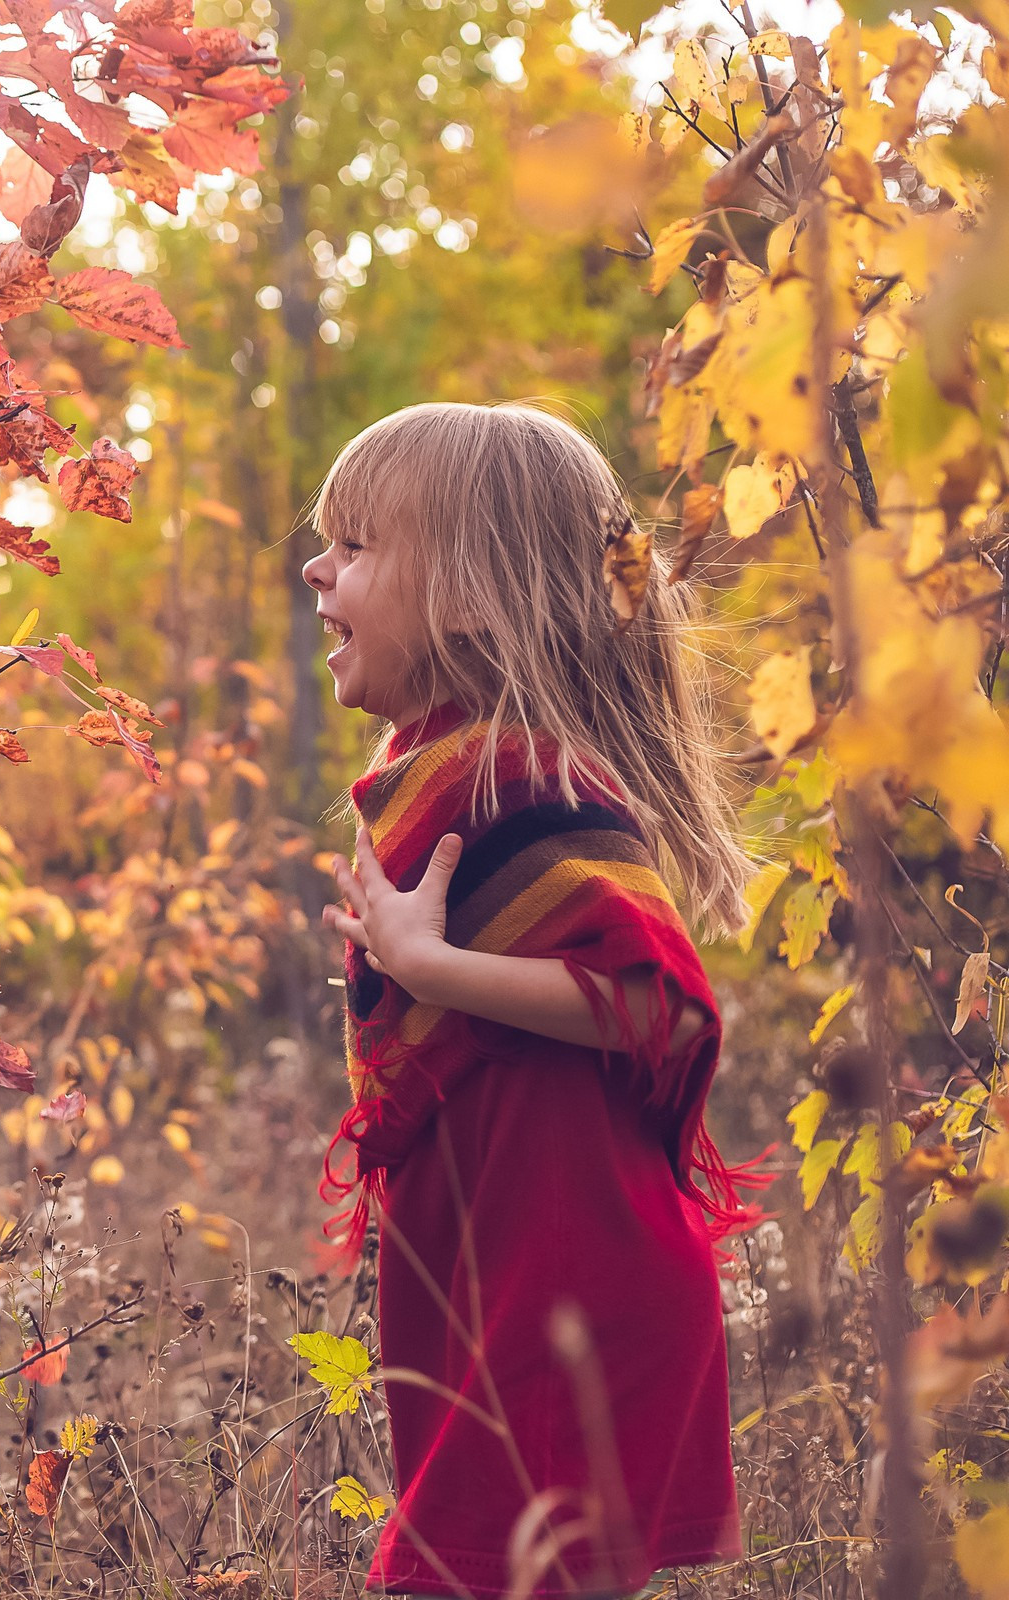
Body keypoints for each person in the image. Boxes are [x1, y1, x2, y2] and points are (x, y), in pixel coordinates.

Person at [301, 402, 755, 1596]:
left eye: (355, 545)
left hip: (566, 1294)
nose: (317, 567)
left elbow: (672, 1014)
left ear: (466, 596)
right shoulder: (446, 774)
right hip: (490, 1278)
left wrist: (434, 969)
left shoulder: (525, 776)